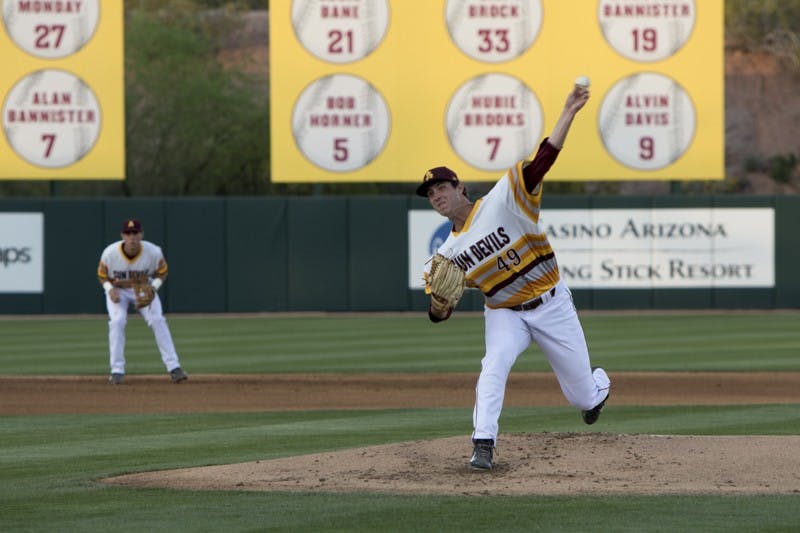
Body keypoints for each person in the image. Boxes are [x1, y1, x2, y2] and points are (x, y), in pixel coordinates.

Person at [417, 82, 610, 470]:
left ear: (460, 187)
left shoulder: (503, 200)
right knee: (493, 365)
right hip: (504, 312)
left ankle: (598, 389)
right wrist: (439, 305)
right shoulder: (444, 257)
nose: (436, 196)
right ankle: (483, 444)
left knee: (583, 398)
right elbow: (438, 315)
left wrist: (568, 113)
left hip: (552, 304)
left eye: (441, 187)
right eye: (430, 194)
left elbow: (541, 161)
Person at [97, 218, 188, 385]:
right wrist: (110, 290)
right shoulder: (110, 253)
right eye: (128, 233)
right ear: (122, 235)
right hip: (120, 291)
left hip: (145, 289)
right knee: (117, 321)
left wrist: (153, 288)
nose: (132, 237)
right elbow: (102, 276)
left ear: (141, 234)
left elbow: (162, 272)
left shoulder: (153, 252)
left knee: (157, 320)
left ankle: (174, 368)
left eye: (135, 233)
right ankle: (117, 370)